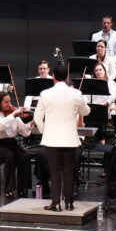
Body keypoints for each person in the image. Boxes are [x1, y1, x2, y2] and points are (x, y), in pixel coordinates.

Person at [33, 62, 90, 211]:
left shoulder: (45, 94)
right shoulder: (76, 93)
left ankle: (56, 203)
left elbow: (37, 117)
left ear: (53, 77)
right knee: (69, 172)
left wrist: (45, 131)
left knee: (55, 172)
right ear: (67, 77)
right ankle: (70, 203)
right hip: (70, 139)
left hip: (52, 139)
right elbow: (86, 112)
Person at [0, 91, 34, 198]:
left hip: (11, 143)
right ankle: (8, 188)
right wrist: (13, 115)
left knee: (24, 157)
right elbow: (1, 126)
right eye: (6, 102)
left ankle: (22, 187)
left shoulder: (13, 114)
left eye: (10, 101)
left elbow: (24, 132)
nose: (9, 104)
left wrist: (33, 121)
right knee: (9, 157)